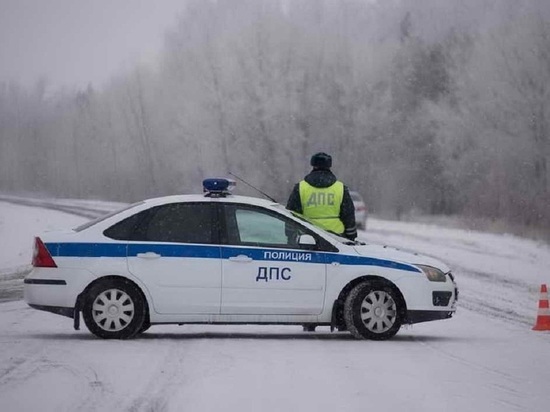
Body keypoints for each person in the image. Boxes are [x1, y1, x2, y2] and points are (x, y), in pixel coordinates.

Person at [287, 152, 357, 241]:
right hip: (336, 237)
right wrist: (351, 237)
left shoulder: (301, 187)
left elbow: (292, 214)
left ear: (313, 165)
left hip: (307, 238)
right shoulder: (340, 188)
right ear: (329, 166)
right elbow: (349, 215)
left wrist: (290, 236)